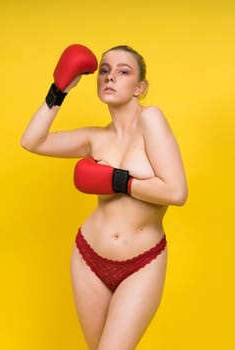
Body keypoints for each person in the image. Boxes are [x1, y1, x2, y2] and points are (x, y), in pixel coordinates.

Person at [21, 44, 188, 350]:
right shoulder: (95, 138)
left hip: (142, 262)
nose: (110, 77)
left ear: (140, 87)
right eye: (104, 71)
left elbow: (176, 192)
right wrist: (58, 90)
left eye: (123, 71)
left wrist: (117, 180)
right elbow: (33, 141)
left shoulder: (151, 119)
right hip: (88, 257)